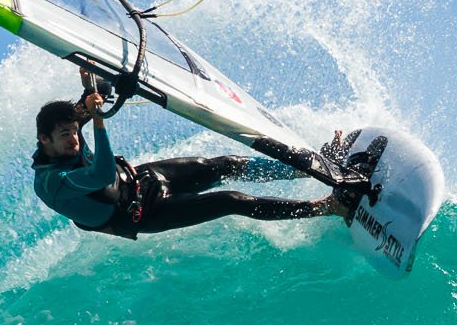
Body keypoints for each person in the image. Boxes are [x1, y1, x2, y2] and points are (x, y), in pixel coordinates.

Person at [32, 80, 359, 238]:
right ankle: (328, 208)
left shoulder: (66, 132)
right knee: (231, 200)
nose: (74, 139)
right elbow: (102, 175)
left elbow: (89, 104)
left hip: (144, 179)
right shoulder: (52, 184)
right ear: (44, 140)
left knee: (225, 165)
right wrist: (98, 120)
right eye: (65, 135)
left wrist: (96, 83)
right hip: (144, 213)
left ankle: (310, 167)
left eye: (75, 132)